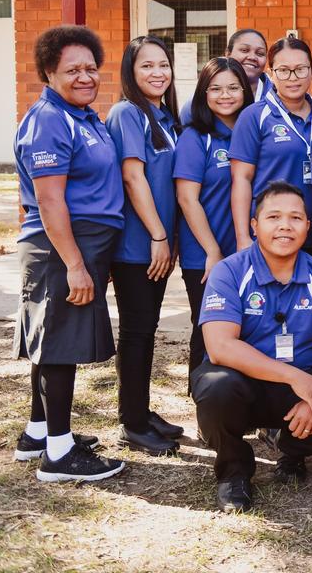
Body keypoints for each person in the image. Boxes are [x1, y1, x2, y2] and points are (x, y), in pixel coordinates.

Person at [192, 181, 312, 512]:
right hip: (243, 381)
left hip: (302, 382)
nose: (285, 226)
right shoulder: (229, 271)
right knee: (215, 387)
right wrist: (292, 377)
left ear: (308, 227)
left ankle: (291, 449)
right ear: (255, 226)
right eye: (273, 217)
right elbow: (220, 347)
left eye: (296, 218)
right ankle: (234, 471)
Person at [11, 25, 126, 481]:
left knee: (51, 339)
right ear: (48, 73)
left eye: (90, 68)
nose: (84, 77)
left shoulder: (82, 115)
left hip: (79, 246)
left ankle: (39, 431)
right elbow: (49, 200)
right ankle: (59, 456)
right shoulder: (49, 121)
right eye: (71, 70)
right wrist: (76, 264)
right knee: (60, 346)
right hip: (60, 248)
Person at [105, 35, 184, 456]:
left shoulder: (165, 117)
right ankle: (131, 423)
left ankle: (142, 411)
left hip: (158, 244)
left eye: (163, 65)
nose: (157, 73)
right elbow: (133, 178)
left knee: (147, 332)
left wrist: (169, 240)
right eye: (147, 66)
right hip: (136, 246)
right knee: (136, 333)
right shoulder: (126, 113)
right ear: (130, 73)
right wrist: (157, 235)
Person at [174, 58, 254, 392]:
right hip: (206, 255)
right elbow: (187, 198)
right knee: (208, 328)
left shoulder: (253, 130)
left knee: (246, 328)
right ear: (203, 93)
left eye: (233, 87)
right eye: (216, 88)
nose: (225, 95)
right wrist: (212, 251)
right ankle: (203, 400)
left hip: (248, 252)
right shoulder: (196, 137)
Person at [230, 37, 312, 253]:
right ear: (272, 73)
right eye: (283, 70)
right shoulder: (254, 116)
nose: (293, 78)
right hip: (272, 235)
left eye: (301, 69)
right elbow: (241, 179)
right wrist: (243, 238)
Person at [180, 29, 272, 124]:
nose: (252, 57)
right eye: (244, 50)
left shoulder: (278, 99)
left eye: (260, 53)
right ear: (228, 53)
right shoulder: (195, 107)